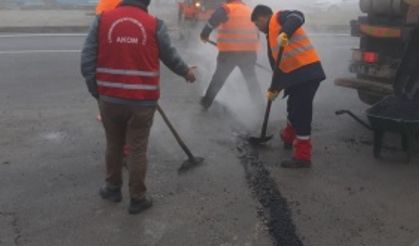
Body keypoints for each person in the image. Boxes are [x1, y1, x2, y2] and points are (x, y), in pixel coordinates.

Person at [81, 0, 196, 214]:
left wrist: (96, 91)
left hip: (110, 99)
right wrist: (186, 73)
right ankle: (138, 198)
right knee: (137, 149)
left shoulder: (102, 20)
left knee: (114, 145)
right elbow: (170, 57)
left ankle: (112, 188)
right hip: (142, 101)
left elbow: (86, 60)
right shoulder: (154, 24)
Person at [251, 5, 326, 168]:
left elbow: (298, 16)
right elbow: (277, 68)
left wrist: (285, 32)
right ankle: (288, 136)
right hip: (296, 77)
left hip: (307, 72)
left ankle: (303, 156)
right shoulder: (270, 36)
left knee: (301, 112)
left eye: (257, 24)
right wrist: (274, 89)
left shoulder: (279, 17)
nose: (258, 28)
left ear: (262, 17)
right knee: (292, 106)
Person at [199, 0, 263, 109]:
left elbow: (212, 21)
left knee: (219, 78)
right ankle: (261, 107)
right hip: (249, 52)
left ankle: (206, 103)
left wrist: (204, 34)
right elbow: (256, 32)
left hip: (230, 52)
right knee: (251, 81)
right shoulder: (249, 10)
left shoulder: (227, 8)